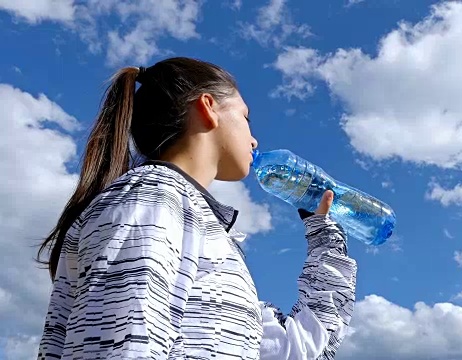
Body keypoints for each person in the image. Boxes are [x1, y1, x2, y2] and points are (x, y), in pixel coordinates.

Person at [37, 57, 357, 359]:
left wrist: (325, 239)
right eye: (245, 117)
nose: (255, 140)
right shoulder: (152, 199)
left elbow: (300, 349)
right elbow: (120, 346)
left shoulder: (198, 224)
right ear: (208, 107)